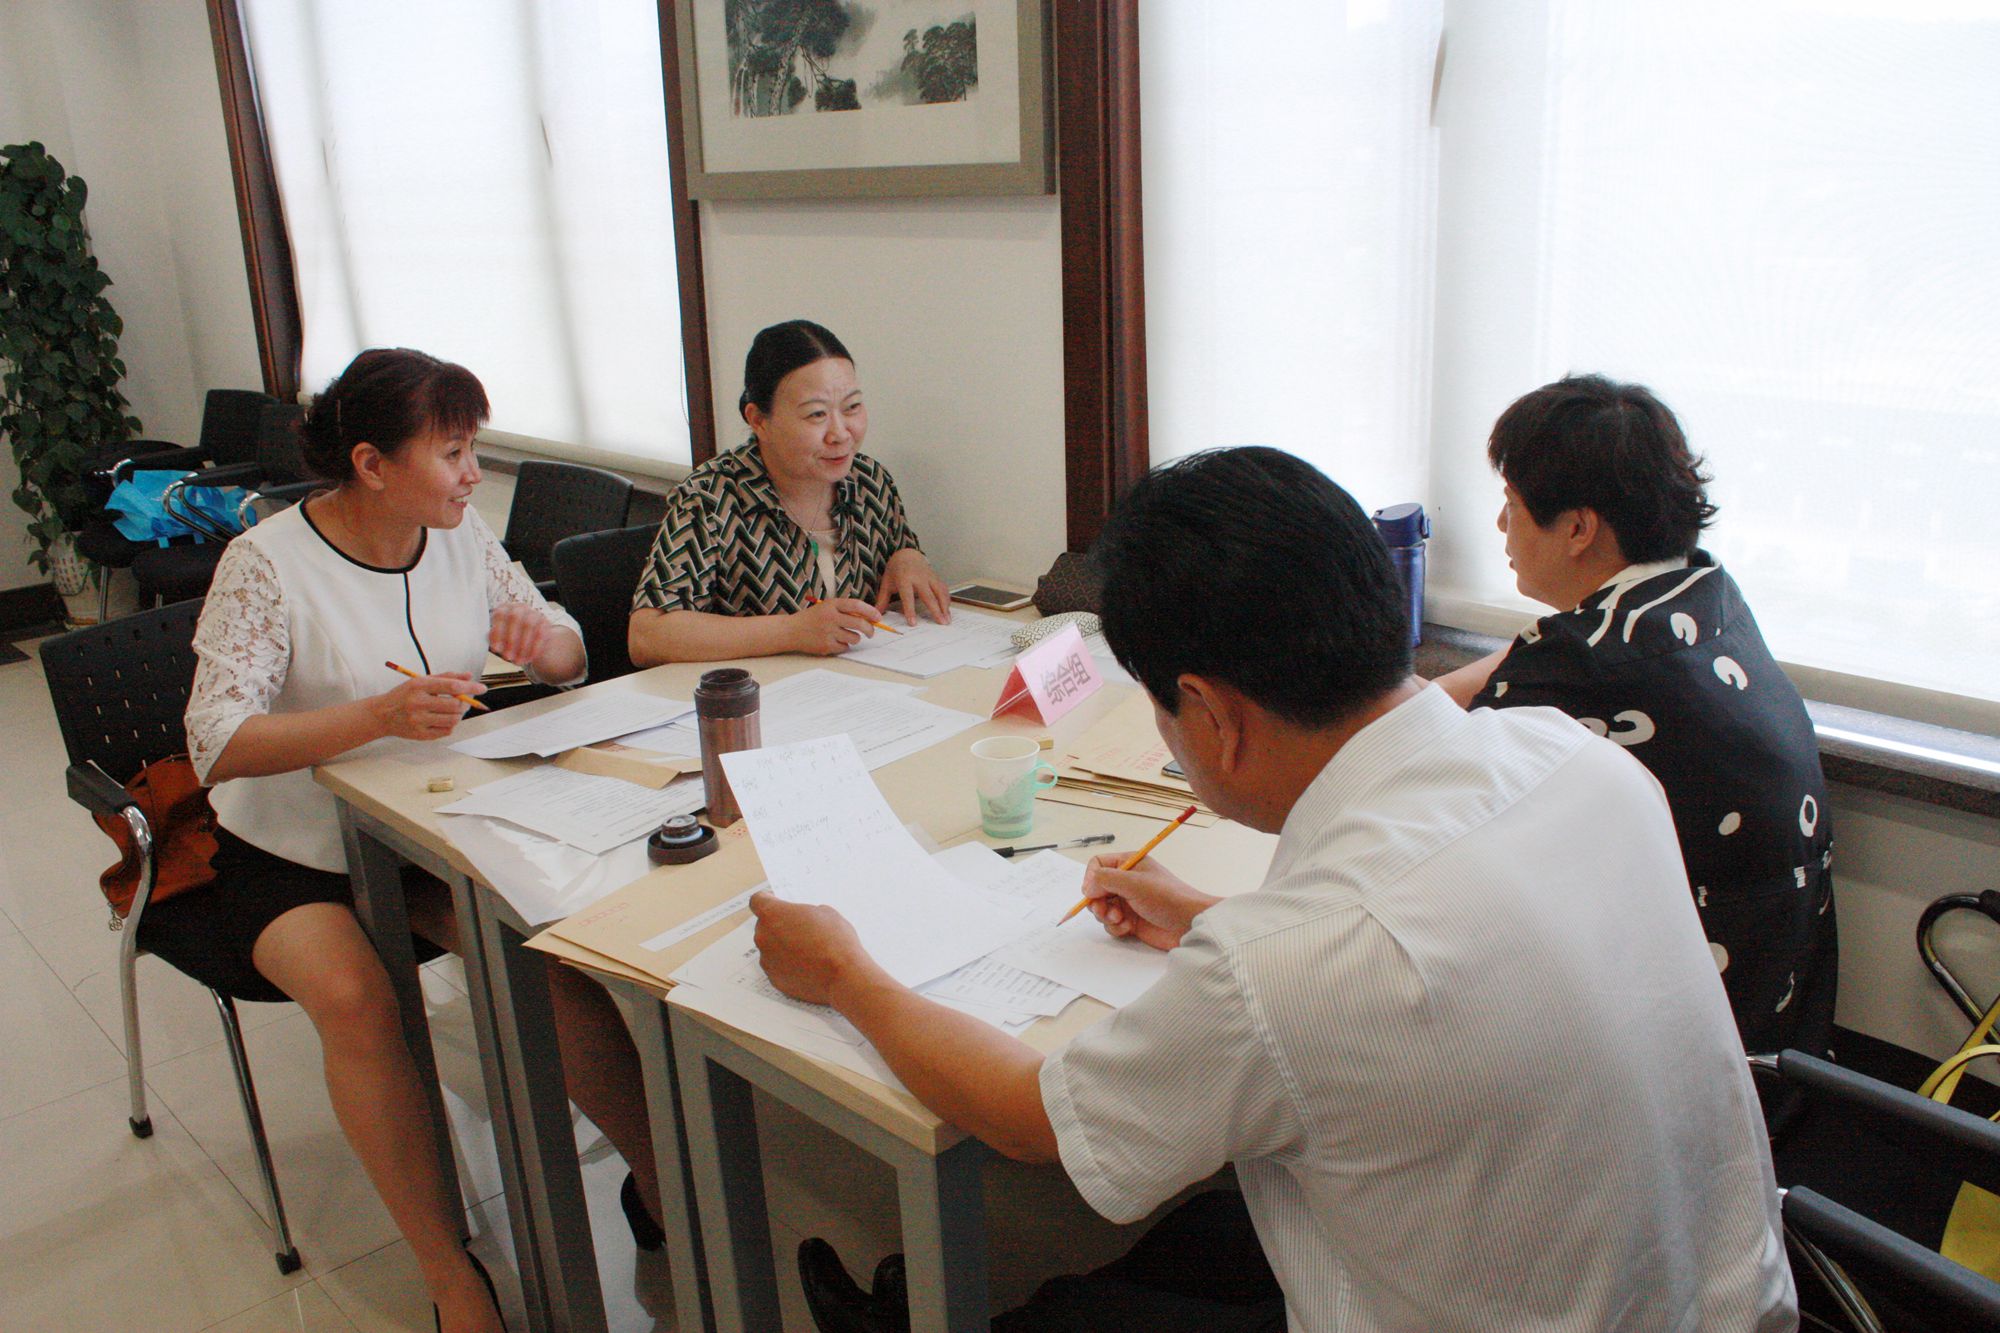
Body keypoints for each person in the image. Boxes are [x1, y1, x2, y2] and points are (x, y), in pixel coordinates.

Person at [754, 447, 1795, 1331]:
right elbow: (1459, 957)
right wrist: (1215, 917)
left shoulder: (1283, 966)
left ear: (1209, 714)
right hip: (1706, 1295)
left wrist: (845, 973)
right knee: (1214, 1223)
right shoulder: (1575, 759)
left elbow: (1032, 1120)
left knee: (1093, 1296)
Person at [167, 348, 660, 1331]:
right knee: (360, 1001)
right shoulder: (265, 563)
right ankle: (449, 1271)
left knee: (550, 968)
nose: (474, 473)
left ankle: (660, 1189)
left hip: (434, 828)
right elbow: (214, 741)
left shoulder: (458, 532)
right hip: (293, 853)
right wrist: (376, 717)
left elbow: (556, 640)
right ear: (371, 463)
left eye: (474, 448)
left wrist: (552, 648)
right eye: (453, 452)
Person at [1434, 375, 1836, 1068]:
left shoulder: (1578, 665)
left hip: (1677, 1051)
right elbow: (1537, 655)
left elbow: (1429, 772)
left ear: (1578, 528)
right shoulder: (1705, 595)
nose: (1500, 525)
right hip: (1783, 1025)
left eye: (1513, 504)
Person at [628, 319, 951, 665]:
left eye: (852, 407)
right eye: (816, 415)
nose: (841, 433)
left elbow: (901, 556)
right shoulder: (711, 497)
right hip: (762, 693)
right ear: (759, 421)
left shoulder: (869, 480)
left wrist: (908, 556)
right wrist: (792, 631)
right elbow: (647, 636)